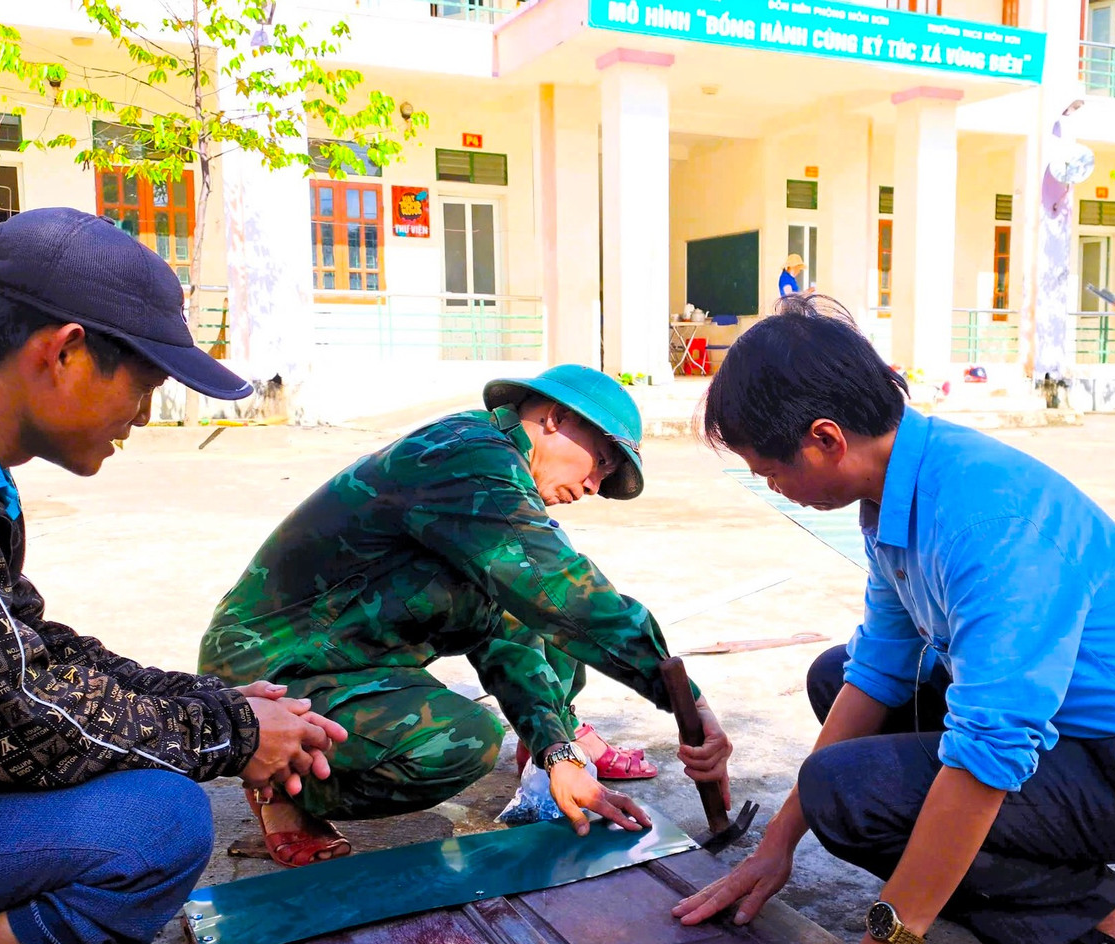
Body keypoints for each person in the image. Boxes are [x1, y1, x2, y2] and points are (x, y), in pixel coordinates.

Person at [0, 208, 347, 944]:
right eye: (144, 383)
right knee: (156, 825)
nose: (143, 415)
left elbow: (17, 648)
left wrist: (211, 702)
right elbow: (20, 713)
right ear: (66, 352)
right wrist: (232, 735)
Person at [673, 295, 1115, 944]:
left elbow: (991, 746)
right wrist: (775, 846)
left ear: (826, 438)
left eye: (771, 471)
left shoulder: (989, 518)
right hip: (1067, 738)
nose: (774, 488)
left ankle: (1108, 915)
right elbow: (877, 668)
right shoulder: (894, 498)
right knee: (835, 676)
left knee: (845, 792)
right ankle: (1042, 911)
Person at [199, 364, 734, 866]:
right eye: (603, 463)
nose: (596, 486)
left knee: (556, 646)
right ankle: (279, 782)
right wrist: (688, 700)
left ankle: (558, 742)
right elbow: (566, 593)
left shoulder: (493, 478)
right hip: (274, 672)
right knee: (458, 741)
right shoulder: (469, 460)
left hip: (359, 661)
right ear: (556, 419)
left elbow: (512, 631)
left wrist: (558, 753)